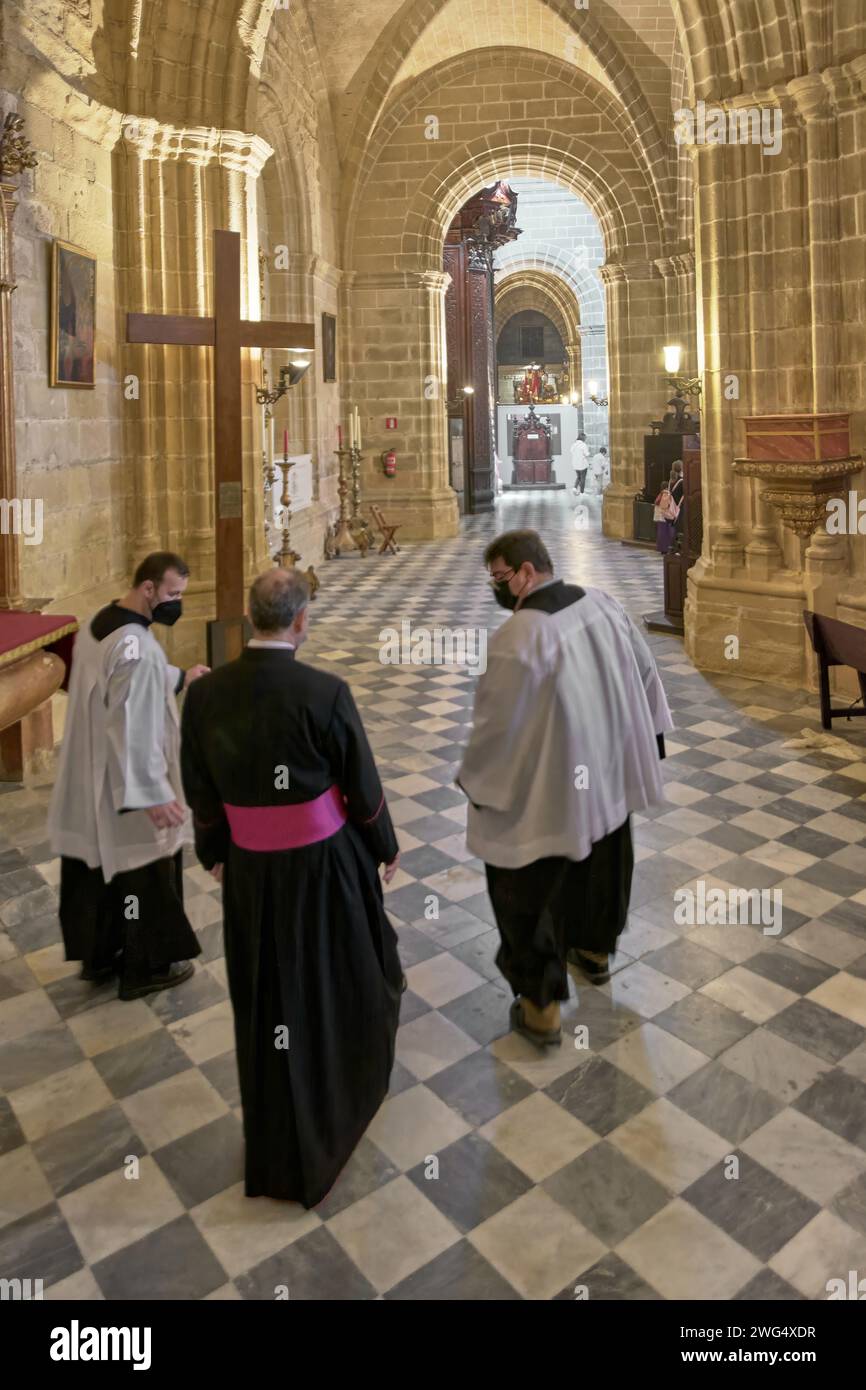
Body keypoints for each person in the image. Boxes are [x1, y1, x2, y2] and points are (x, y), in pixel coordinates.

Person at [180, 568, 403, 1208]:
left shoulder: (205, 695)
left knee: (268, 993)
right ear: (301, 621)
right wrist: (384, 844)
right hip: (321, 866)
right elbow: (360, 786)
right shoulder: (324, 692)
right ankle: (333, 1112)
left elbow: (200, 788)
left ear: (251, 618)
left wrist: (216, 850)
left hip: (251, 870)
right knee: (333, 980)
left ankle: (278, 1140)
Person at [456, 530, 673, 1050]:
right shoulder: (602, 604)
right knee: (604, 860)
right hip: (607, 770)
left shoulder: (519, 637)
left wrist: (480, 785)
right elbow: (645, 670)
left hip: (549, 790)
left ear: (528, 572)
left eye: (502, 578)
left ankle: (541, 1006)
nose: (499, 590)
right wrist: (653, 735)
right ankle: (594, 952)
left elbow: (494, 729)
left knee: (522, 886)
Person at [47, 552, 209, 1000]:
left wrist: (179, 677)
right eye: (173, 594)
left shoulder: (102, 620)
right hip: (125, 784)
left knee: (98, 870)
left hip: (92, 776)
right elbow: (132, 725)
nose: (177, 603)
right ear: (148, 589)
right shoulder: (135, 646)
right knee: (145, 871)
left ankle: (99, 958)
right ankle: (145, 967)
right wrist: (151, 792)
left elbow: (122, 681)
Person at [654, 460, 684, 554]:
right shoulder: (681, 481)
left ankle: (669, 547)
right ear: (681, 468)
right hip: (678, 507)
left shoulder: (671, 480)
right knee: (677, 528)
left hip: (670, 507)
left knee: (670, 526)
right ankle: (677, 548)